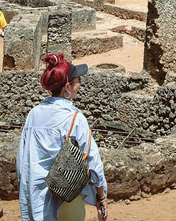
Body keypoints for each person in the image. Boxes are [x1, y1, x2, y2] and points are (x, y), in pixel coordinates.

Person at [17, 54, 108, 221]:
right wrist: (101, 197)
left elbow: (22, 160)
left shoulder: (33, 115)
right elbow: (93, 161)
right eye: (78, 80)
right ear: (67, 87)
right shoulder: (75, 117)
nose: (80, 84)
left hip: (37, 199)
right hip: (66, 200)